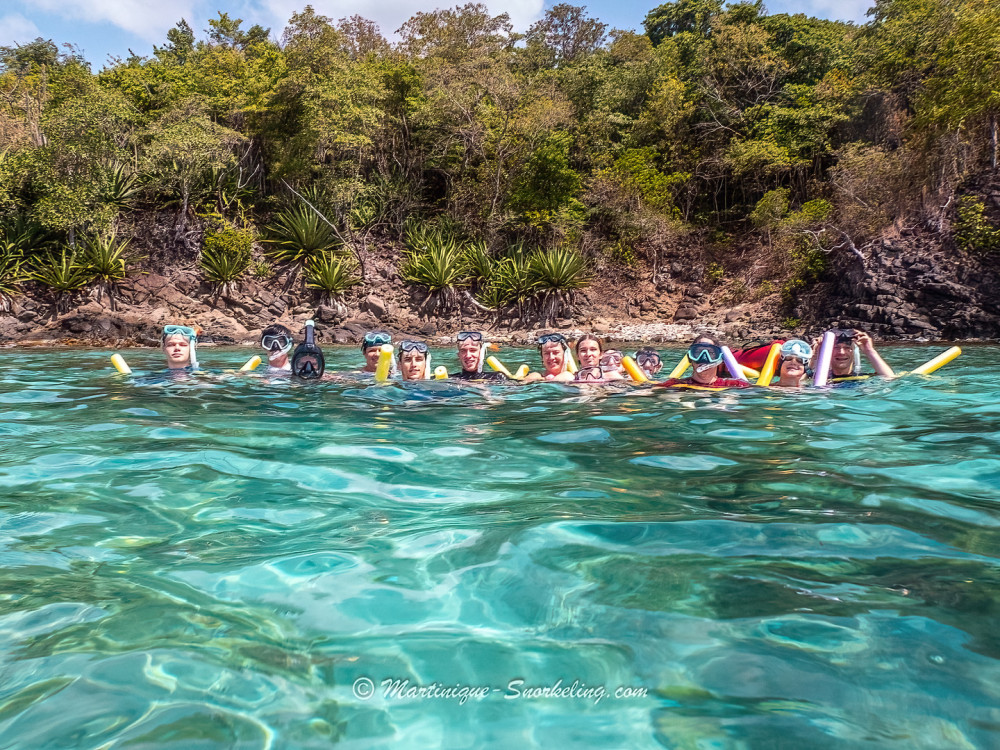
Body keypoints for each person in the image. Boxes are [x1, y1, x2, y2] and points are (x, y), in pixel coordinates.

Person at [657, 334, 751, 389]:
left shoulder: (735, 385)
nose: (704, 358)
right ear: (690, 358)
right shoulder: (674, 385)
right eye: (698, 352)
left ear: (719, 359)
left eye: (711, 353)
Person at [813, 328, 895, 380]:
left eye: (847, 348)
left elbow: (890, 378)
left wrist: (869, 350)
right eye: (836, 348)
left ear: (854, 352)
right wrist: (815, 353)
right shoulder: (816, 378)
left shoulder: (863, 378)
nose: (841, 352)